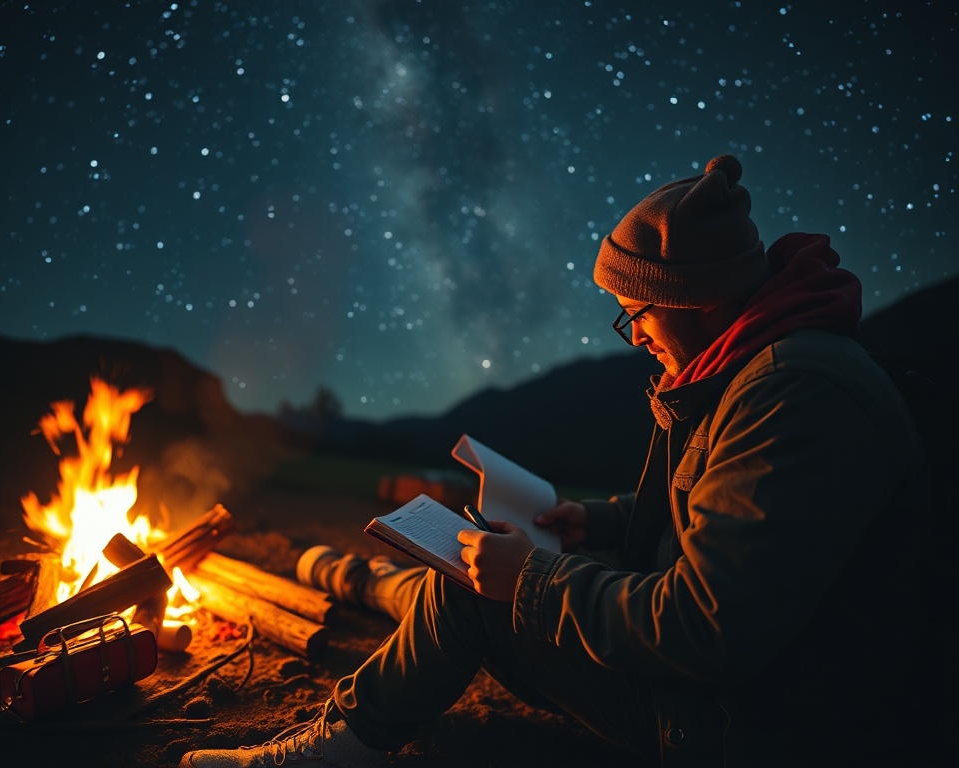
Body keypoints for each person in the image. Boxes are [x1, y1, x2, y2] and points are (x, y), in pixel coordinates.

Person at [180, 154, 934, 767]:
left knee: (473, 590)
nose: (632, 336)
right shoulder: (762, 370)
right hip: (770, 696)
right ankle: (354, 728)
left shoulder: (791, 394)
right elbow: (733, 517)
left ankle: (337, 751)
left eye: (635, 312)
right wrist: (595, 522)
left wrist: (532, 579)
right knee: (478, 574)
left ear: (694, 297)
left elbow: (708, 628)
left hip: (762, 730)